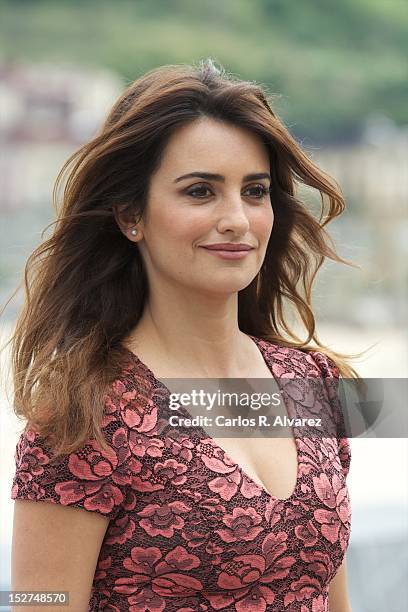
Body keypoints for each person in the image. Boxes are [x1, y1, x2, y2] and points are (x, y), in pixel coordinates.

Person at [6, 59, 359, 611]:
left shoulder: (311, 381)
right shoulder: (85, 413)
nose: (237, 220)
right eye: (200, 192)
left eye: (255, 191)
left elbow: (329, 592)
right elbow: (39, 603)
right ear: (130, 215)